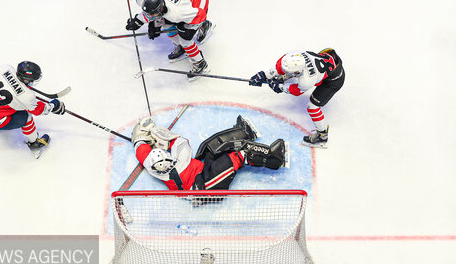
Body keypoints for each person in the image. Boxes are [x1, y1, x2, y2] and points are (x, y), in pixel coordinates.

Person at [131, 115, 287, 191]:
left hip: (202, 170)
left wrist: (144, 137)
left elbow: (140, 145)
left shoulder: (152, 164)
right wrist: (164, 136)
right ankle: (274, 159)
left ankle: (243, 134)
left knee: (209, 147)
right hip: (204, 188)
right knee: (238, 156)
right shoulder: (179, 162)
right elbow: (182, 142)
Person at [118, 0, 214, 63]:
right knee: (165, 19)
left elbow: (155, 12)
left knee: (170, 21)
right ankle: (181, 45)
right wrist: (139, 20)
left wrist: (154, 25)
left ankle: (203, 25)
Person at [249, 48, 345, 148]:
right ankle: (289, 76)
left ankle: (322, 136)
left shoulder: (306, 80)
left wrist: (279, 87)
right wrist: (264, 75)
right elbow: (279, 68)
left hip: (334, 80)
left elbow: (296, 91)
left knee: (313, 107)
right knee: (291, 74)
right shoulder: (292, 56)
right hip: (327, 63)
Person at [0, 61, 66, 157]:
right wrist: (54, 106)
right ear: (26, 80)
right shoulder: (27, 97)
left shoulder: (4, 68)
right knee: (27, 116)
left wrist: (9, 84)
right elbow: (39, 110)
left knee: (18, 106)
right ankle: (35, 145)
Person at [141, 0, 214, 80]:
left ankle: (200, 63)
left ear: (160, 9)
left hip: (198, 4)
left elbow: (201, 15)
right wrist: (154, 24)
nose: (150, 17)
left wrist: (186, 30)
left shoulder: (177, 13)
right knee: (167, 25)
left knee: (185, 40)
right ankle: (182, 47)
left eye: (152, 15)